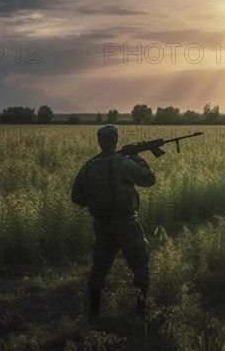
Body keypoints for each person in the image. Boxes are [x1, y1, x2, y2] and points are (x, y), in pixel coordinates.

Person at [71, 124, 156, 316]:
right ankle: (141, 313)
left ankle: (93, 313)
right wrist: (139, 159)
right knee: (140, 266)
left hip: (102, 225)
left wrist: (96, 203)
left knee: (98, 269)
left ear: (99, 141)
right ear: (115, 139)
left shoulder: (89, 166)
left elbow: (76, 197)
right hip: (126, 223)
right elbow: (149, 180)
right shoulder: (123, 163)